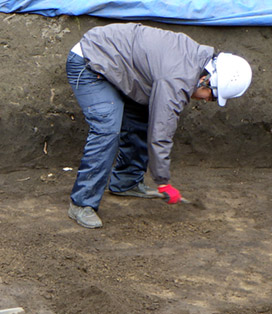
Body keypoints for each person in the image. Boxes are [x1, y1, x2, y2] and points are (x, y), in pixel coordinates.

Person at [65, 23, 252, 228]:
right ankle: (82, 203)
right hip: (90, 61)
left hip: (117, 64)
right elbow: (161, 132)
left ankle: (127, 181)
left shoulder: (194, 60)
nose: (208, 101)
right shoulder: (178, 77)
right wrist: (163, 181)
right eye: (212, 97)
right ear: (206, 80)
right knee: (107, 128)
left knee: (141, 114)